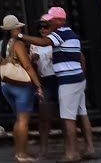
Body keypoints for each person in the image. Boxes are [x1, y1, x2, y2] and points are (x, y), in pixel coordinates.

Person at [20, 6, 93, 162]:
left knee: (68, 118)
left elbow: (43, 42)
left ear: (60, 20)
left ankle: (71, 153)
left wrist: (20, 35)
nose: (48, 24)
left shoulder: (61, 33)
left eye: (50, 21)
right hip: (73, 79)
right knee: (80, 113)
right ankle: (87, 149)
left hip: (67, 80)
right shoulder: (70, 34)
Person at [0, 14, 44, 163]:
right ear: (14, 29)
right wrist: (38, 85)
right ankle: (21, 154)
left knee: (18, 120)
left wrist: (3, 69)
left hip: (6, 85)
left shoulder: (2, 44)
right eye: (19, 27)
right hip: (21, 86)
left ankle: (19, 150)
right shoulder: (18, 44)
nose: (21, 28)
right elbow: (27, 66)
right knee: (23, 121)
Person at [30, 26, 57, 159]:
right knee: (44, 115)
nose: (42, 29)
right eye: (40, 27)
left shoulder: (58, 41)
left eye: (46, 27)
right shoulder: (35, 45)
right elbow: (32, 66)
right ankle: (43, 149)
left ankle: (75, 146)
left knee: (68, 116)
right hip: (45, 80)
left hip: (59, 78)